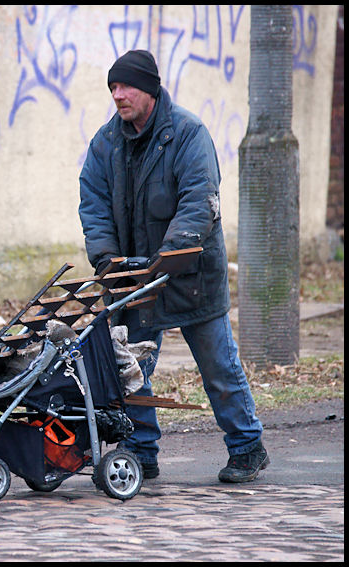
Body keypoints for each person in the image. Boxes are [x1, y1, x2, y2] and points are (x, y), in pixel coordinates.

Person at [77, 50, 269, 483]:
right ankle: (141, 452)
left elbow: (199, 201)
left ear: (150, 89)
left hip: (189, 275)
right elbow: (94, 205)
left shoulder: (188, 133)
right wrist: (108, 260)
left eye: (125, 87)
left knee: (219, 367)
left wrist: (171, 255)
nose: (118, 95)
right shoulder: (104, 143)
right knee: (131, 370)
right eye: (112, 88)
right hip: (133, 278)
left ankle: (247, 447)